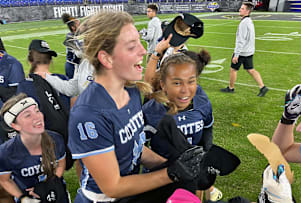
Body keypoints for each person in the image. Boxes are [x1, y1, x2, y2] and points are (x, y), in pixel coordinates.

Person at [68, 11, 204, 203]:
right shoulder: (88, 114)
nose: (142, 51)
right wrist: (170, 173)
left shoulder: (131, 90)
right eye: (132, 46)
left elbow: (135, 147)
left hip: (130, 193)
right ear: (107, 59)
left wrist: (177, 165)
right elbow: (113, 186)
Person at [143, 51, 223, 202]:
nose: (185, 90)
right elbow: (138, 149)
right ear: (163, 84)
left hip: (192, 178)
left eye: (191, 81)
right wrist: (169, 168)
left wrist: (202, 161)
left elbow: (207, 131)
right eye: (177, 83)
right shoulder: (151, 111)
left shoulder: (203, 103)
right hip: (159, 179)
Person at [0, 93, 67, 202]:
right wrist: (23, 198)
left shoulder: (55, 139)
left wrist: (47, 187)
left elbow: (61, 164)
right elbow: (5, 180)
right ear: (15, 126)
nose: (37, 117)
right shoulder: (6, 152)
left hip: (56, 191)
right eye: (28, 115)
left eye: (37, 111)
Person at [16, 39, 73, 170]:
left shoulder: (25, 86)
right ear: (50, 60)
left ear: (30, 60)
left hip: (45, 140)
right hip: (70, 137)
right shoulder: (63, 80)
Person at [220, 2, 268, 97]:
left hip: (242, 52)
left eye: (242, 8)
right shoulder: (249, 21)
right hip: (249, 51)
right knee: (251, 70)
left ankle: (231, 88)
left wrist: (236, 54)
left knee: (233, 69)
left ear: (247, 11)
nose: (239, 10)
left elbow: (241, 40)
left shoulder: (244, 23)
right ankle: (262, 87)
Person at [61, 13, 82, 79]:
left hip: (78, 66)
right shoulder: (70, 37)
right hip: (73, 66)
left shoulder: (78, 35)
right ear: (73, 28)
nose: (81, 26)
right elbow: (79, 54)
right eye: (79, 25)